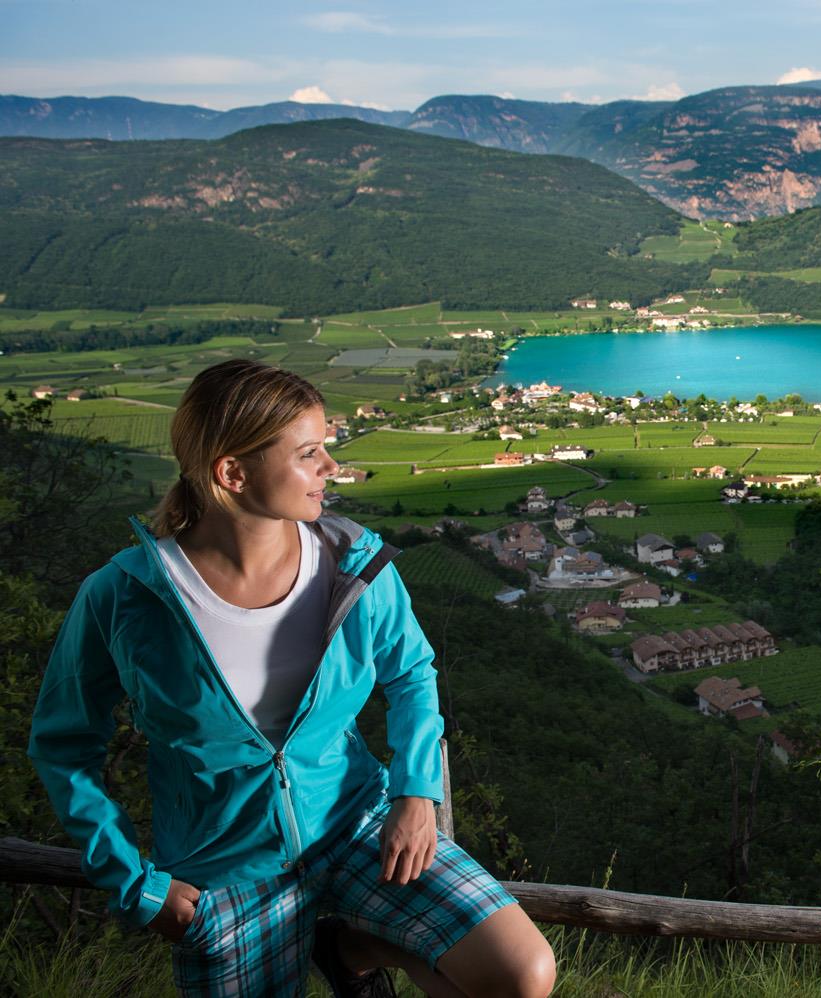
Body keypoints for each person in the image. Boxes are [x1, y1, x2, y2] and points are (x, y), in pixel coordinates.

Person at [29, 360, 555, 998]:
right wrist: (137, 884)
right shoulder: (124, 597)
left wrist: (415, 793)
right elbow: (64, 745)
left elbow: (413, 671)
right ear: (232, 472)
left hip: (360, 824)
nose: (331, 467)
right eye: (309, 454)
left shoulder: (353, 566)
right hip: (223, 876)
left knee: (520, 975)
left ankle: (349, 949)